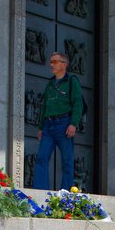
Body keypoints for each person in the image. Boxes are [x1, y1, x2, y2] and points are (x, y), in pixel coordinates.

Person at [34, 52, 83, 190]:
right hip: (48, 126)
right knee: (42, 158)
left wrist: (73, 123)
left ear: (64, 64)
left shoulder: (72, 81)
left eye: (55, 62)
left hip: (64, 124)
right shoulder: (50, 84)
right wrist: (40, 127)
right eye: (51, 62)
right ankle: (40, 190)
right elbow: (44, 107)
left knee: (67, 161)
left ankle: (66, 193)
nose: (51, 65)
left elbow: (78, 103)